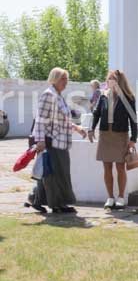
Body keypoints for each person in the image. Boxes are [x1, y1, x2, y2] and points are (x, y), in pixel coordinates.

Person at [32, 68, 87, 214]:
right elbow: (40, 119)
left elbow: (63, 120)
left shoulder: (59, 96)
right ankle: (57, 205)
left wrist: (76, 128)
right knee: (54, 174)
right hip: (52, 141)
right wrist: (40, 140)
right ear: (55, 78)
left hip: (61, 142)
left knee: (57, 172)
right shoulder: (48, 95)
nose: (66, 82)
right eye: (63, 79)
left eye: (66, 79)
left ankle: (36, 199)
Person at [88, 69, 138, 209]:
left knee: (120, 167)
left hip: (120, 135)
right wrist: (91, 129)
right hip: (105, 135)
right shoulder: (103, 96)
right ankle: (110, 197)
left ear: (119, 81)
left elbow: (133, 119)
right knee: (107, 167)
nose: (110, 81)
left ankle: (121, 197)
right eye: (109, 78)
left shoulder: (128, 97)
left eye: (113, 78)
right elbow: (96, 114)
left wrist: (133, 138)